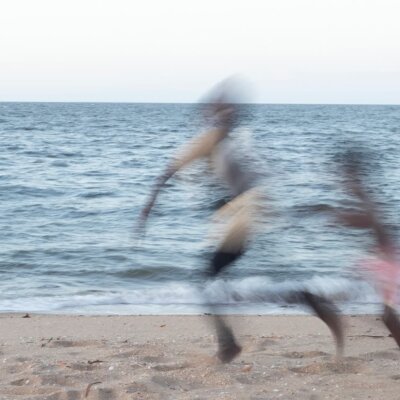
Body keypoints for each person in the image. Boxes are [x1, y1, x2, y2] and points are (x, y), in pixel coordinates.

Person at [137, 79, 263, 363]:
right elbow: (168, 172)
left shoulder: (229, 140)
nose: (229, 112)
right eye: (222, 108)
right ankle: (231, 338)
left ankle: (229, 343)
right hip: (241, 219)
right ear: (213, 114)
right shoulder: (213, 139)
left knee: (206, 280)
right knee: (211, 280)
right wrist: (148, 208)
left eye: (231, 108)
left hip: (244, 220)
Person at [334, 150, 400, 347]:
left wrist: (340, 218)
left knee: (388, 315)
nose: (342, 179)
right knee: (387, 314)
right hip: (385, 255)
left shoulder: (359, 189)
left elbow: (370, 219)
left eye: (344, 173)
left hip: (388, 256)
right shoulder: (359, 191)